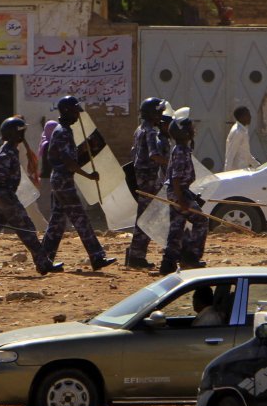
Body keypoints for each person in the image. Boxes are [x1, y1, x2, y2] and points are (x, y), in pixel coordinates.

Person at [0, 117, 64, 276]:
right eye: (21, 132)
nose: (23, 135)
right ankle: (43, 263)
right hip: (6, 196)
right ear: (13, 134)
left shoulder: (10, 149)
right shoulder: (7, 152)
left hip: (2, 196)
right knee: (27, 228)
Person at [41, 96, 116, 270]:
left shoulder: (62, 130)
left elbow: (68, 156)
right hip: (64, 181)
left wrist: (83, 149)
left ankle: (43, 260)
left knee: (57, 223)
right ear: (67, 111)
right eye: (75, 111)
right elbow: (69, 162)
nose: (77, 115)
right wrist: (89, 176)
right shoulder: (64, 132)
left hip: (60, 180)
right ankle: (97, 257)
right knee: (81, 219)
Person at [159, 108, 208, 274]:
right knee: (201, 221)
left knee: (176, 228)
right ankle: (191, 257)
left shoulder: (181, 149)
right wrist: (181, 200)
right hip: (177, 193)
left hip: (179, 192)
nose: (193, 130)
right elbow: (176, 178)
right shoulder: (180, 150)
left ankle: (168, 264)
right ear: (183, 132)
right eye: (190, 128)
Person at [125, 97, 168, 269]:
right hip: (148, 179)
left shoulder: (140, 129)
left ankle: (135, 253)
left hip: (141, 177)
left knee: (145, 217)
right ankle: (136, 255)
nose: (161, 115)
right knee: (148, 218)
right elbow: (154, 155)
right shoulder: (150, 131)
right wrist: (171, 164)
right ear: (151, 113)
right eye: (158, 112)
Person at [223, 106, 260, 171]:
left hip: (243, 171)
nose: (250, 117)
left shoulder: (243, 131)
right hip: (236, 172)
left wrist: (258, 166)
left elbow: (246, 154)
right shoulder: (238, 132)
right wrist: (226, 175)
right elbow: (230, 155)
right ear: (241, 117)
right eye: (247, 115)